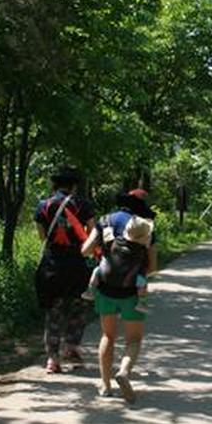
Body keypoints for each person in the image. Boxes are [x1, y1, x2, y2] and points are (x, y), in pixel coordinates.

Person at [81, 189, 158, 403]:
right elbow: (152, 266)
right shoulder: (146, 228)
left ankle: (105, 386)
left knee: (108, 336)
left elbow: (85, 250)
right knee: (133, 338)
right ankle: (124, 371)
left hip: (105, 288)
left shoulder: (105, 221)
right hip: (133, 292)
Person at [34, 167, 97, 374]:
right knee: (79, 306)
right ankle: (71, 346)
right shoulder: (83, 205)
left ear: (55, 185)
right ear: (74, 186)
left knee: (54, 310)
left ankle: (53, 359)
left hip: (52, 265)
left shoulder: (43, 206)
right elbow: (92, 234)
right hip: (78, 264)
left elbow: (43, 237)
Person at [82, 214, 154, 313]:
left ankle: (90, 290)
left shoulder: (116, 242)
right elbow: (151, 267)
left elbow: (88, 250)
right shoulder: (142, 248)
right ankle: (142, 302)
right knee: (142, 280)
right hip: (130, 281)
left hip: (106, 277)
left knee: (97, 270)